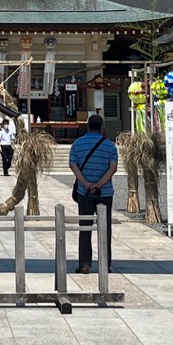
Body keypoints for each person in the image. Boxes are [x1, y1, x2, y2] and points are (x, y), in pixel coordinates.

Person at [67, 112, 116, 275]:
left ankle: (84, 264)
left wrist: (86, 183)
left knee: (85, 228)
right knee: (105, 228)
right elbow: (113, 167)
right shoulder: (110, 145)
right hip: (105, 192)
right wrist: (99, 184)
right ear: (102, 127)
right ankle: (105, 264)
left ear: (87, 126)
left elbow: (72, 164)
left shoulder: (78, 144)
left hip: (84, 192)